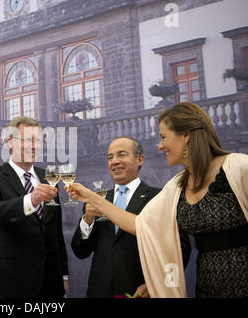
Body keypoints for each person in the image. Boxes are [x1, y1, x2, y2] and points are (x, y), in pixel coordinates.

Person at [67, 102, 248, 298]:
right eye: (110, 157)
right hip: (206, 289)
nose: (160, 145)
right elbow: (140, 225)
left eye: (163, 137)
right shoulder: (176, 186)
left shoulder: (239, 167)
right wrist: (91, 198)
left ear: (186, 135)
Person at [72, 136, 191, 298]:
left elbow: (179, 250)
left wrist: (156, 283)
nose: (114, 161)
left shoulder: (159, 198)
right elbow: (80, 251)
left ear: (139, 159)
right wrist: (87, 220)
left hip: (141, 292)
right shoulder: (97, 199)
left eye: (121, 155)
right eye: (110, 157)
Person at [0, 116, 69, 298]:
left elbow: (56, 231)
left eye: (38, 140)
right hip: (11, 281)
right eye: (28, 140)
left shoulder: (48, 177)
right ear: (10, 142)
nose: (35, 146)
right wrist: (30, 201)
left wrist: (64, 274)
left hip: (51, 282)